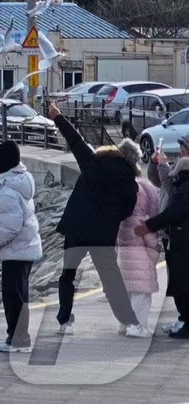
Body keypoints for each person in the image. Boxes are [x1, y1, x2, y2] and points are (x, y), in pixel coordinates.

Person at [45, 102, 148, 336]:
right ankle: (131, 323)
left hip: (76, 228)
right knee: (111, 280)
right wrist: (109, 217)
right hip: (102, 235)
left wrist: (58, 117)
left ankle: (65, 322)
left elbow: (75, 140)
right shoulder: (129, 185)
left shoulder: (92, 162)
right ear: (133, 162)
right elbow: (126, 212)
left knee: (68, 275)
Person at [0, 140, 42, 353]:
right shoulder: (20, 182)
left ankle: (18, 340)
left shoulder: (8, 190)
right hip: (24, 249)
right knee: (19, 295)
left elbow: (10, 226)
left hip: (15, 251)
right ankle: (17, 337)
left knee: (13, 297)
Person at [116, 139, 162, 335]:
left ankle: (124, 324)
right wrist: (156, 248)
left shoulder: (117, 188)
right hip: (140, 250)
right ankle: (138, 326)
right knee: (142, 292)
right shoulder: (143, 188)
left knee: (127, 289)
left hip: (123, 247)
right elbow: (147, 222)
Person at [143, 153, 189, 338]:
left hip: (183, 243)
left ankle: (187, 322)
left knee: (182, 285)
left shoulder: (185, 187)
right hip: (179, 240)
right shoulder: (182, 186)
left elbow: (175, 212)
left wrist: (149, 225)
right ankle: (184, 320)